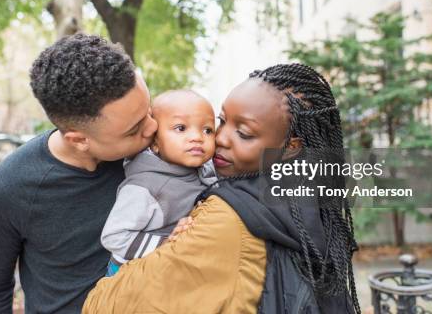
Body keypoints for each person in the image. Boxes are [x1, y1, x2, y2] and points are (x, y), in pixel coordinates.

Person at [83, 63, 360, 314]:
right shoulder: (303, 196)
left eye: (244, 133)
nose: (220, 139)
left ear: (291, 147)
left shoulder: (227, 218)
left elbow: (107, 307)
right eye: (222, 122)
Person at [0, 34, 158, 313]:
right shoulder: (8, 189)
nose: (153, 127)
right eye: (134, 129)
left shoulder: (157, 151)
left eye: (149, 111)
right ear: (79, 140)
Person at [101, 90, 217, 276]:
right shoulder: (145, 187)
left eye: (208, 130)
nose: (197, 137)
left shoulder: (204, 167)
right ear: (155, 143)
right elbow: (114, 237)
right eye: (181, 128)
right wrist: (167, 243)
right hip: (130, 274)